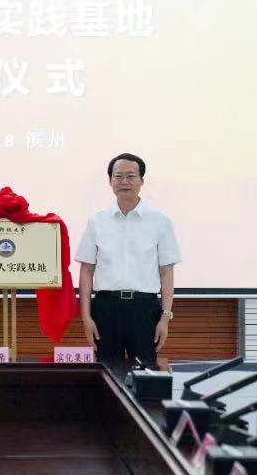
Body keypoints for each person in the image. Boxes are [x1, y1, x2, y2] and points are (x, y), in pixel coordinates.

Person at [75, 153, 180, 366]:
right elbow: (86, 270)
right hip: (106, 307)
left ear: (142, 181)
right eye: (118, 176)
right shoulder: (97, 221)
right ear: (110, 181)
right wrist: (86, 317)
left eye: (131, 176)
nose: (124, 182)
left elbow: (166, 272)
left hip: (144, 309)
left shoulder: (159, 221)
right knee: (106, 372)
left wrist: (165, 317)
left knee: (144, 372)